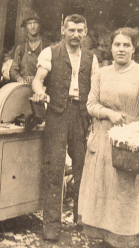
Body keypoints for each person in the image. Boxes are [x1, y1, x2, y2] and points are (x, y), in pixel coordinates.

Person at [78, 27, 139, 248]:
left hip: (128, 144)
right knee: (102, 191)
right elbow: (91, 104)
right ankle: (102, 239)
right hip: (102, 140)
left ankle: (124, 240)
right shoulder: (101, 73)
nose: (121, 49)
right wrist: (109, 113)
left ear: (134, 49)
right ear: (111, 47)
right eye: (117, 44)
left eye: (126, 45)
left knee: (125, 192)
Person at [32, 14, 99, 241]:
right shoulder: (50, 53)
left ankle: (81, 217)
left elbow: (97, 90)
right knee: (55, 168)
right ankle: (51, 224)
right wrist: (40, 90)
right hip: (57, 115)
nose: (76, 35)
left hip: (81, 116)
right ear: (63, 30)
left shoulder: (91, 59)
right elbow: (38, 79)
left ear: (86, 32)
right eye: (71, 30)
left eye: (80, 31)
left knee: (82, 167)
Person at [10, 9, 51, 84]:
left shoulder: (48, 46)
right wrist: (19, 78)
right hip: (24, 86)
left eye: (35, 23)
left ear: (40, 25)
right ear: (25, 27)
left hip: (42, 86)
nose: (32, 26)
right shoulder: (21, 48)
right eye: (29, 24)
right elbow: (13, 70)